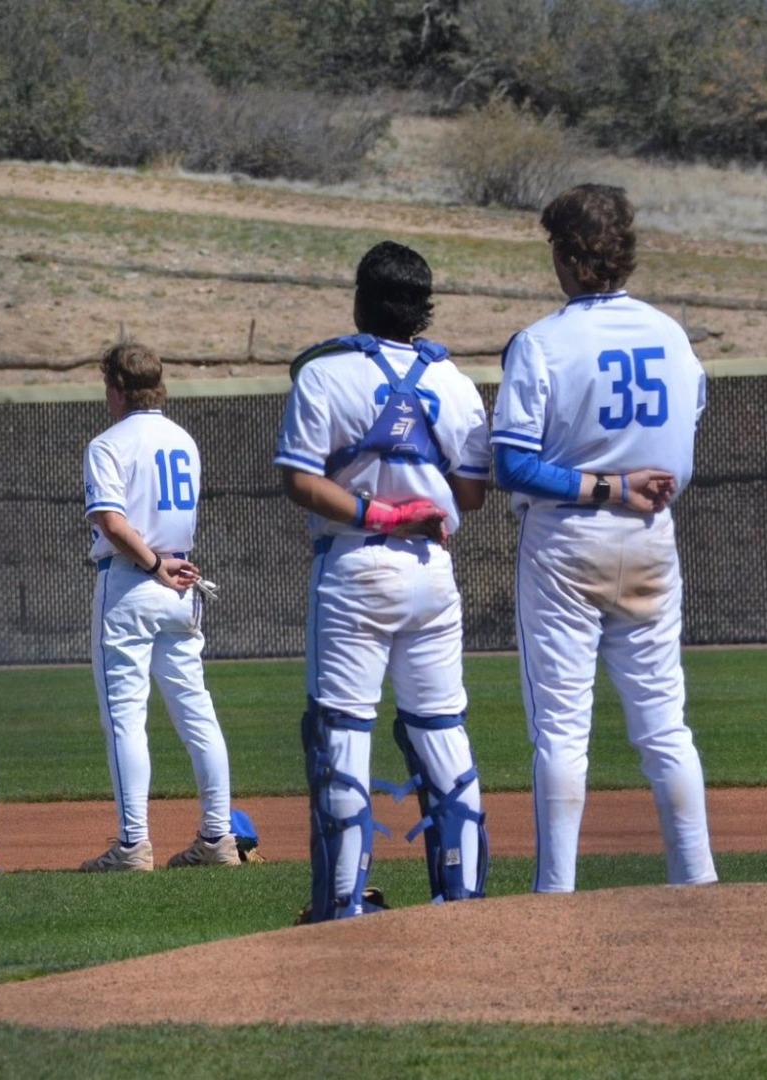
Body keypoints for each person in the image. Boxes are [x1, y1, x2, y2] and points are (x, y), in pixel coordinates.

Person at [491, 183, 715, 893]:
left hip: (567, 540)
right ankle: (698, 882)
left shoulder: (542, 342)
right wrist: (630, 484)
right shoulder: (671, 335)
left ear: (564, 255)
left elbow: (512, 465)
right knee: (664, 727)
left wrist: (608, 484)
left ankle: (556, 891)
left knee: (561, 730)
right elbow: (685, 432)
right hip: (651, 537)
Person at [274, 241, 492, 920]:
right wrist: (417, 497)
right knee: (441, 729)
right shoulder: (454, 382)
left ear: (360, 300)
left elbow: (300, 480)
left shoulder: (324, 374)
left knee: (340, 734)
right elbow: (472, 493)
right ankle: (463, 897)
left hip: (356, 564)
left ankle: (343, 905)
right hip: (432, 572)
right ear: (424, 310)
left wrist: (382, 512)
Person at [79, 342, 237, 872]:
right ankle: (218, 837)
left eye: (108, 385)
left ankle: (132, 845)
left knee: (125, 718)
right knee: (197, 712)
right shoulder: (183, 439)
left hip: (134, 580)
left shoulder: (108, 444)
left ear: (119, 390)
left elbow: (113, 523)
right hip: (182, 583)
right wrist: (166, 567)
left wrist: (151, 565)